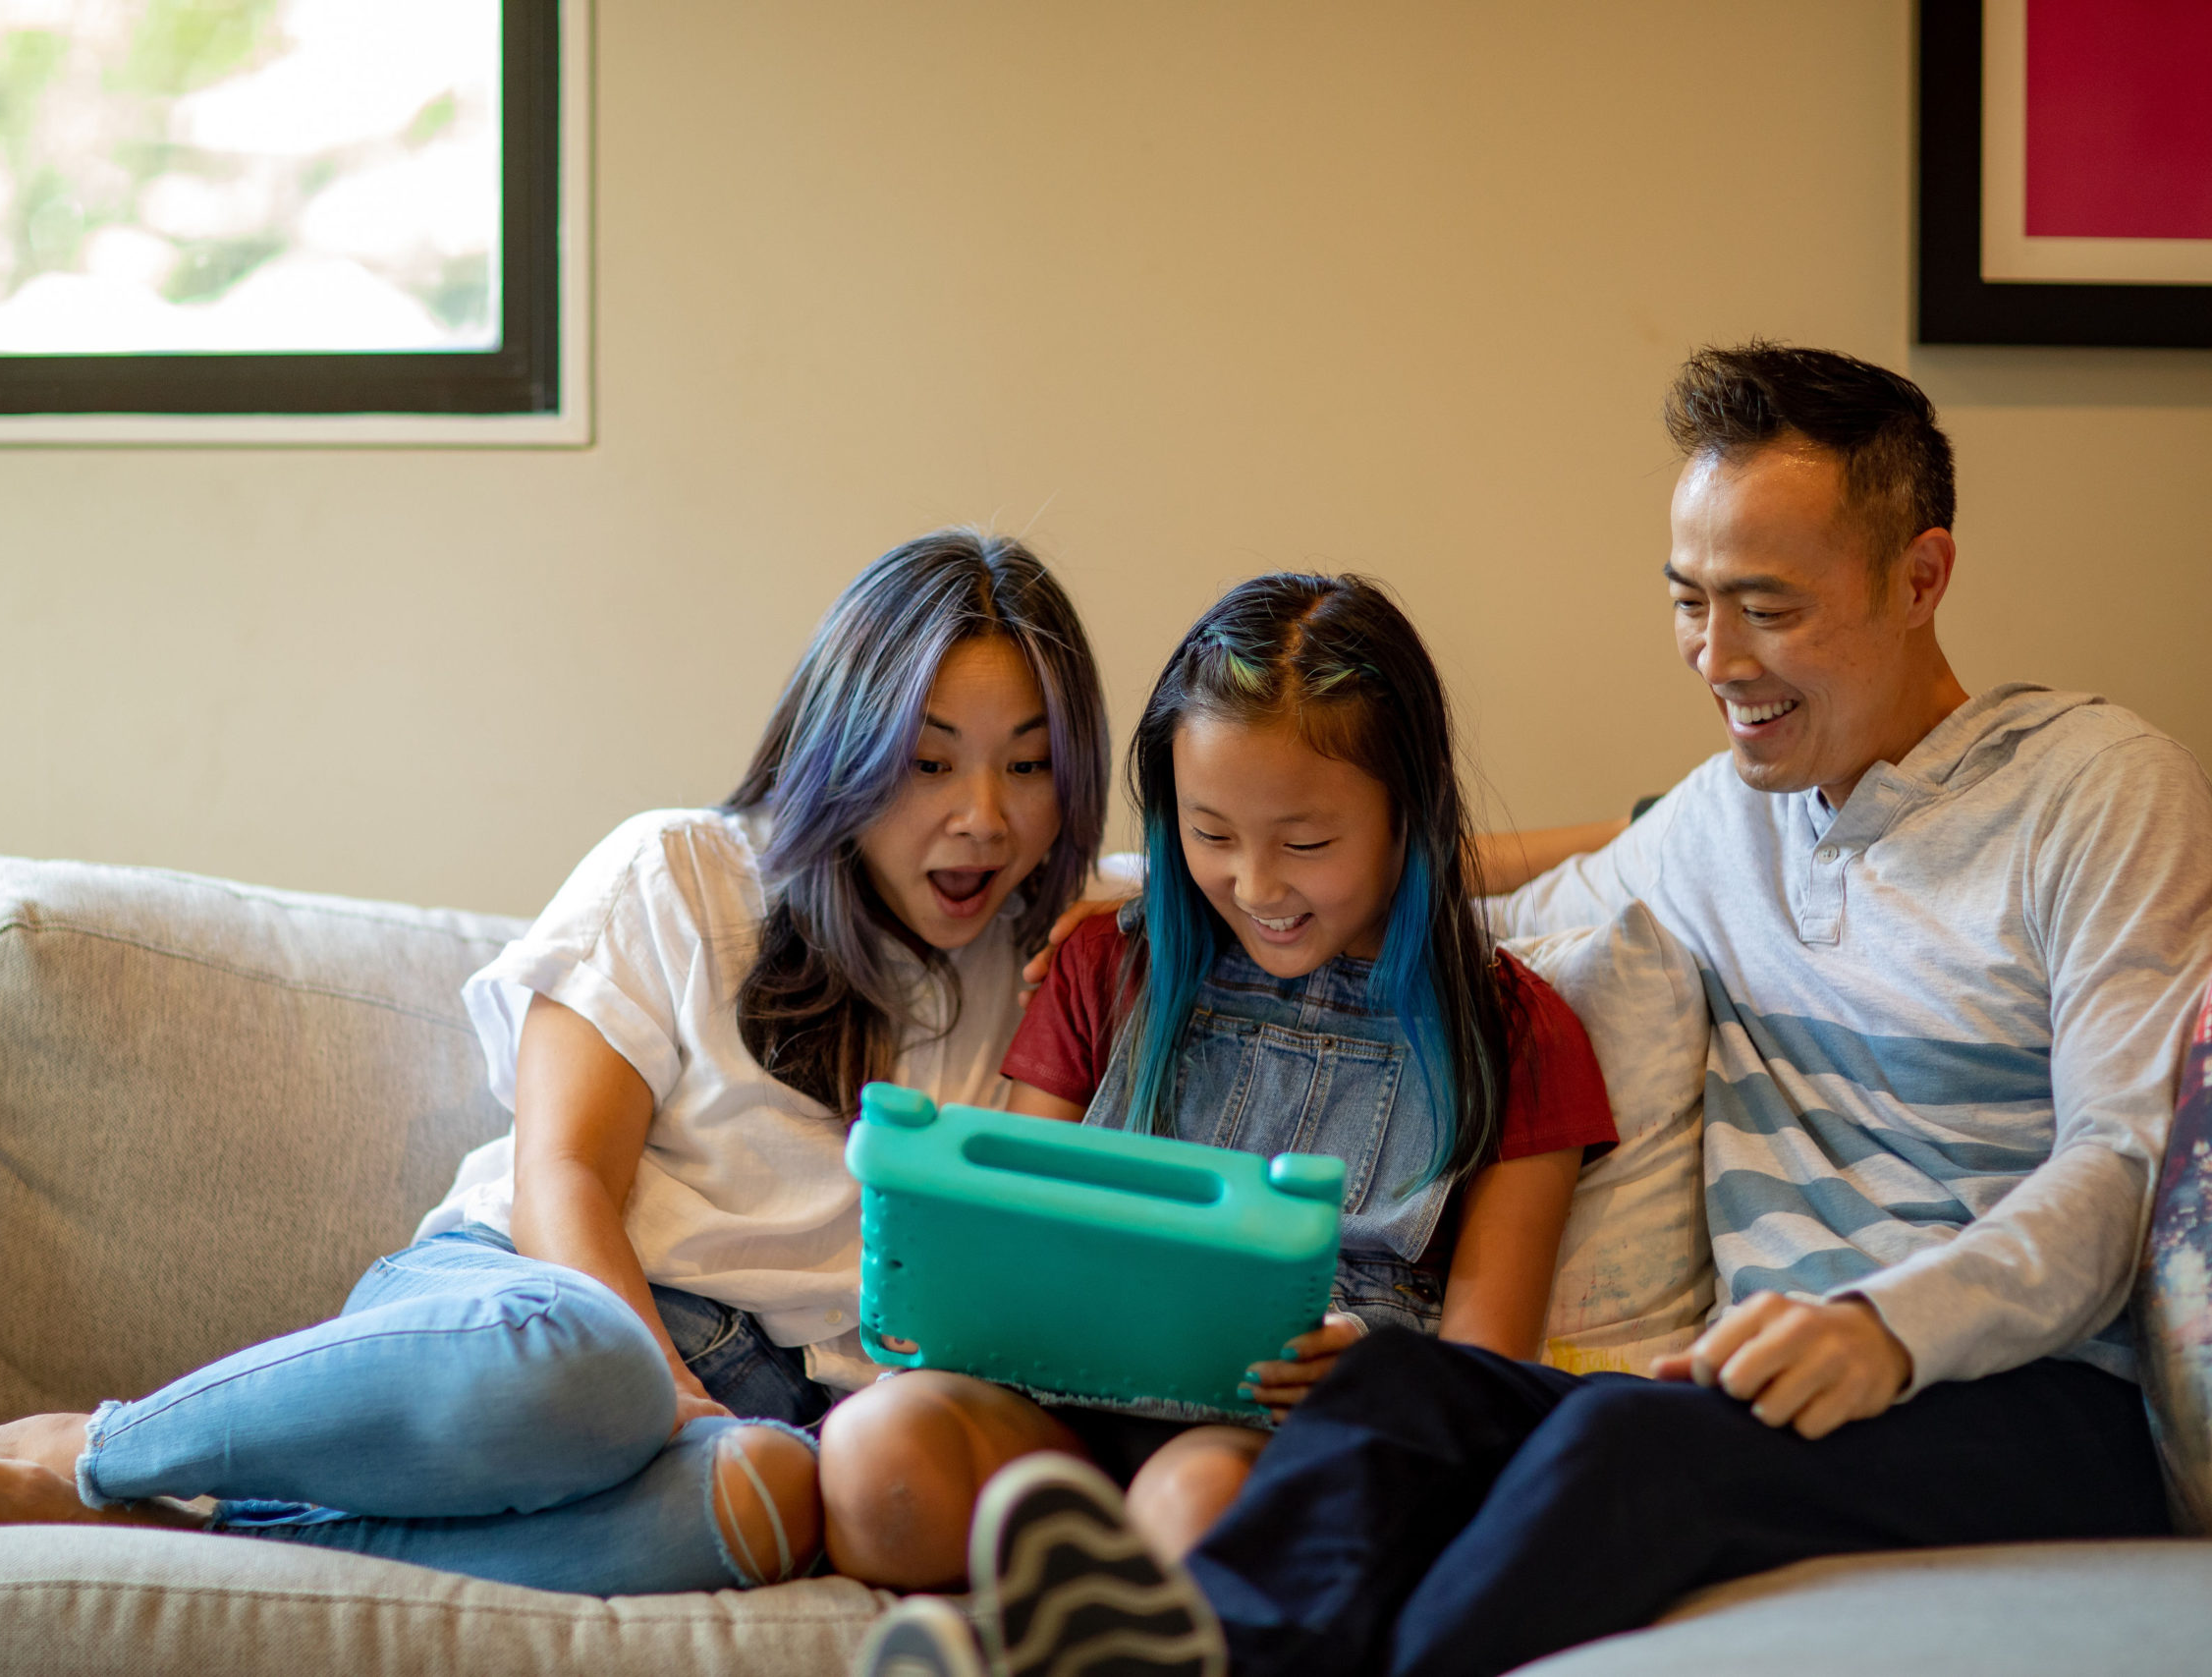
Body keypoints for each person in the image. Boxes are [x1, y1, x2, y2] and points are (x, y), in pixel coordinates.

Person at [851, 343, 2212, 1677]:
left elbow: (2122, 1162)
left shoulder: (2094, 791)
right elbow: (1466, 880)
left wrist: (1887, 1322)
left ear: (1923, 574)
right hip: (1754, 1384)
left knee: (1622, 1447)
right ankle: (1179, 1642)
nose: (1714, 654)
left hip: (2024, 1393)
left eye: (1768, 606)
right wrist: (1154, 888)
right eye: (1687, 598)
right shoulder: (1729, 817)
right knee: (1403, 1391)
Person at [0, 528, 1112, 1598]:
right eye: (929, 760)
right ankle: (96, 1445)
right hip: (537, 1305)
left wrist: (1146, 906)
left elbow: (1249, 884)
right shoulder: (688, 873)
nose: (984, 816)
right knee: (588, 1369)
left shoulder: (1066, 962)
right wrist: (661, 1378)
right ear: (844, 742)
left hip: (772, 1404)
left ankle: (194, 1529)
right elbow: (562, 1174)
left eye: (1030, 767)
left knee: (768, 1495)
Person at [816, 573, 1616, 1589]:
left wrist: (1372, 1367)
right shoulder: (1110, 967)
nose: (1256, 885)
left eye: (1307, 843)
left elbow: (1484, 1371)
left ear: (1407, 814)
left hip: (1267, 1440)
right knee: (873, 1453)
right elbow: (1020, 1225)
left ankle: (1088, 1618)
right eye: (1211, 834)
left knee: (1189, 1510)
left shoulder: (1512, 1032)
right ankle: (1065, 1615)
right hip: (1053, 1411)